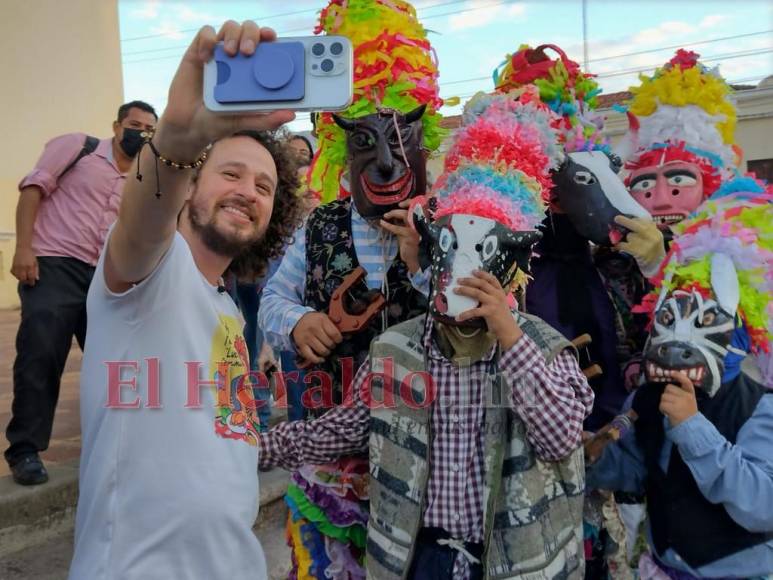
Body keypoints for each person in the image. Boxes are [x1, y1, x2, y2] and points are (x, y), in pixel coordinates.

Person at [259, 92, 594, 580]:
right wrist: (245, 449)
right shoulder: (399, 349)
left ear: (514, 265)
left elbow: (560, 437)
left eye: (483, 253)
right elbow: (339, 430)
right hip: (420, 556)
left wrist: (508, 335)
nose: (463, 271)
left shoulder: (542, 349)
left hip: (511, 560)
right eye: (451, 246)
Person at [68, 22, 303, 579]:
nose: (249, 191)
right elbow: (145, 219)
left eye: (265, 187)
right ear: (190, 185)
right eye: (231, 174)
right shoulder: (151, 268)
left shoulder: (225, 308)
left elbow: (224, 445)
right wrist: (176, 136)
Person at [257, 0, 446, 574]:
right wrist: (298, 322)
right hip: (332, 441)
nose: (387, 163)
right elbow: (271, 299)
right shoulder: (320, 226)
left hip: (429, 450)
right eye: (366, 141)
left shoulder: (455, 226)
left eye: (400, 136)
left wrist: (421, 262)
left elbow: (478, 321)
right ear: (342, 151)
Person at [587, 190, 773, 579]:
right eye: (672, 318)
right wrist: (590, 452)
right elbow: (636, 469)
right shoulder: (649, 397)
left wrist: (692, 428)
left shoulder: (761, 408)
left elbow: (761, 506)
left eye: (704, 323)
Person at [5, 99, 157, 485]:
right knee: (41, 353)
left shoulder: (143, 176)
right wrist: (24, 248)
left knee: (115, 364)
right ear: (117, 125)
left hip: (106, 276)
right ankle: (25, 450)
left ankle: (119, 446)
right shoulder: (78, 147)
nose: (140, 132)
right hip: (55, 263)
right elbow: (32, 190)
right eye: (134, 124)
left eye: (148, 129)